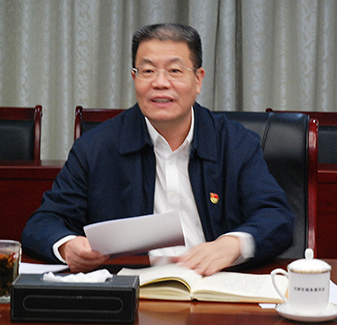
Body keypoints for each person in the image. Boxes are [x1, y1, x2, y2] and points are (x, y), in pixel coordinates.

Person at [21, 23, 294, 276]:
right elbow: (44, 222)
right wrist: (68, 245)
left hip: (214, 286)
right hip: (130, 290)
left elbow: (276, 217)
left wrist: (232, 244)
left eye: (174, 71)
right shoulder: (96, 148)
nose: (160, 83)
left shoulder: (235, 143)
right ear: (134, 78)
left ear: (198, 80)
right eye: (148, 71)